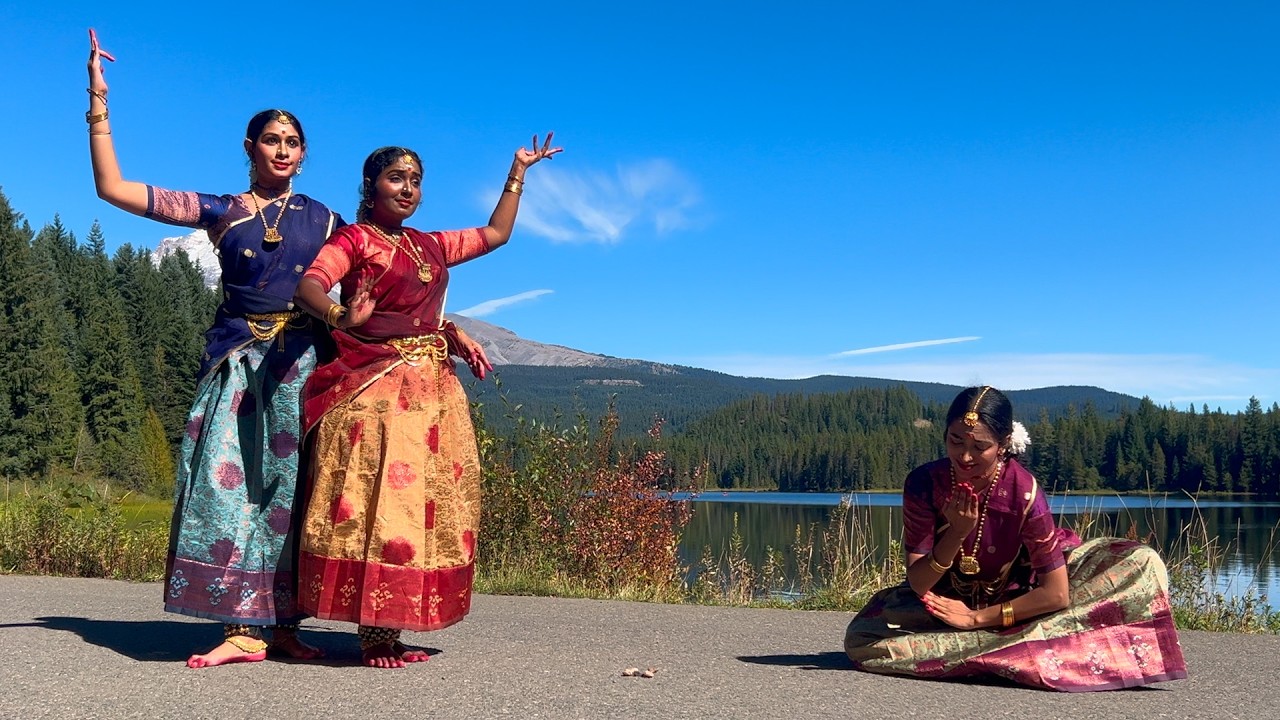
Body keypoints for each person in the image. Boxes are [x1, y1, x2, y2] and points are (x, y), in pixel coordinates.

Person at [85, 29, 340, 668]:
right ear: (250, 148)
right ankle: (242, 626)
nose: (282, 149)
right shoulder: (221, 210)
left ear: (303, 154)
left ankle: (283, 625)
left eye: (293, 142)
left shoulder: (328, 220)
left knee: (295, 492)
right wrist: (98, 102)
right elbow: (114, 189)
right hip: (237, 364)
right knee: (230, 489)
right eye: (271, 140)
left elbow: (381, 268)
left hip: (303, 366)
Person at [292, 136, 562, 668]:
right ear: (370, 186)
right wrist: (340, 315)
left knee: (422, 506)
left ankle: (390, 627)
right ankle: (373, 633)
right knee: (382, 503)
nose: (408, 189)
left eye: (415, 181)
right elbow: (310, 285)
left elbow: (496, 234)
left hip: (432, 392)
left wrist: (518, 172)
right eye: (396, 178)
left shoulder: (431, 245)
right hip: (375, 387)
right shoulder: (355, 240)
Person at [844, 386, 1187, 691]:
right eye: (955, 441)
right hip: (945, 600)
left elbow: (1056, 594)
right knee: (862, 639)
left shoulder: (1024, 493)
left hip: (1021, 600)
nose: (965, 456)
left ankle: (978, 647)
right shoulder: (924, 483)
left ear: (1004, 444)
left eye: (980, 446)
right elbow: (919, 583)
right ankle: (1012, 653)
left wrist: (975, 619)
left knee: (1141, 562)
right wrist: (957, 533)